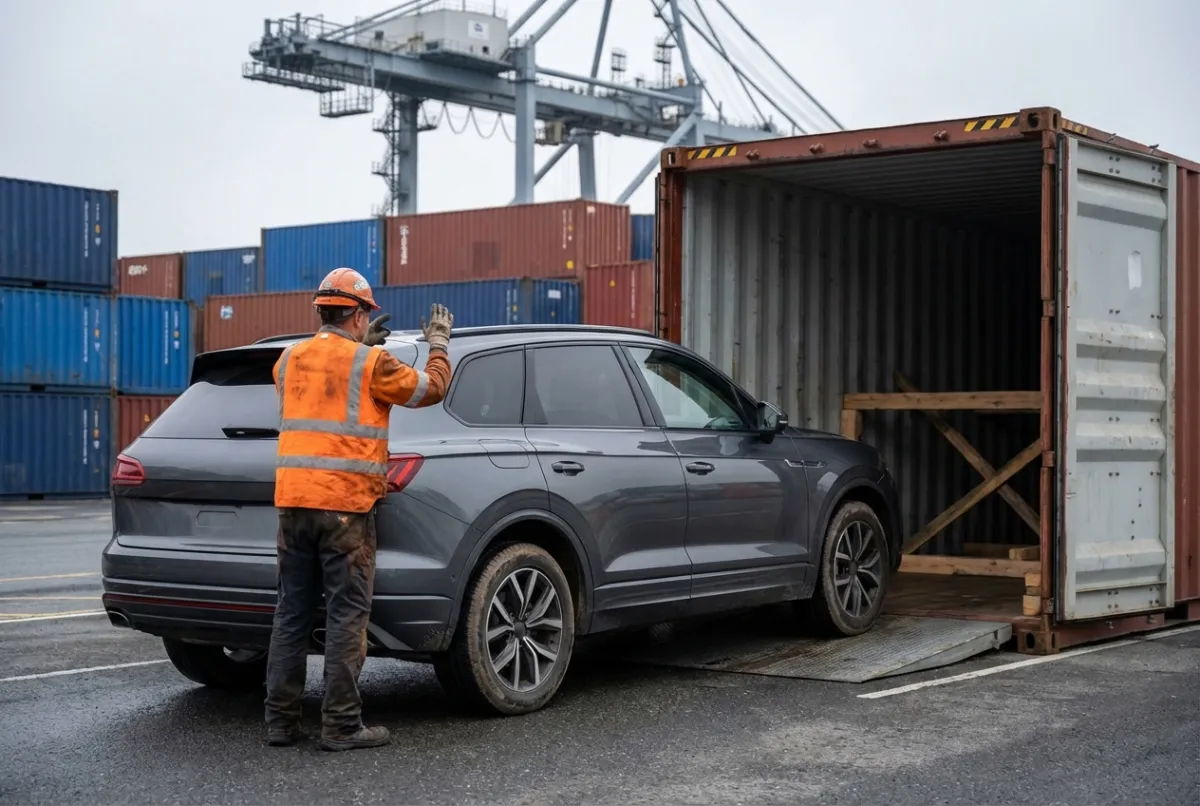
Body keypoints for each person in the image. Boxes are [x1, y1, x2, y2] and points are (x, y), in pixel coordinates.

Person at [264, 267, 454, 752]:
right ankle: (342, 726)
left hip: (293, 503)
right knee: (347, 616)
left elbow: (318, 404)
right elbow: (429, 391)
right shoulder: (372, 364)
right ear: (358, 314)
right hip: (345, 508)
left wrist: (360, 345)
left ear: (323, 311)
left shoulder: (288, 360)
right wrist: (438, 346)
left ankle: (282, 724)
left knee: (290, 615)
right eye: (366, 314)